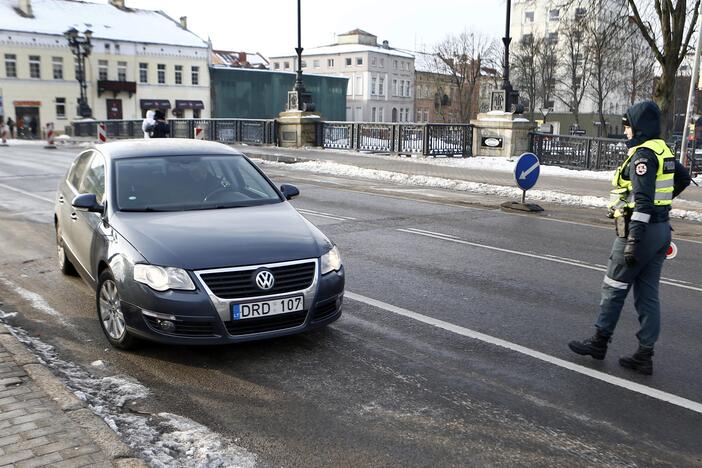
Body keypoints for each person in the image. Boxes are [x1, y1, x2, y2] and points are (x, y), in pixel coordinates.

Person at [568, 100, 691, 375]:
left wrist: (633, 239)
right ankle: (644, 355)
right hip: (661, 231)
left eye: (627, 126)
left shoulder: (643, 156)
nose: (625, 131)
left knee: (614, 287)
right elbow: (683, 178)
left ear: (638, 127)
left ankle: (599, 343)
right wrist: (664, 203)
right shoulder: (662, 149)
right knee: (648, 295)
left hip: (641, 231)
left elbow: (644, 202)